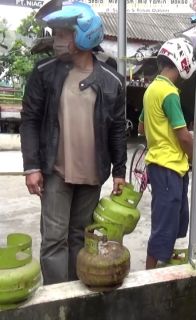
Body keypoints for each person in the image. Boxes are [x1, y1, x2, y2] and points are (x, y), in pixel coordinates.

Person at [20, 2, 127, 285]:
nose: (56, 41)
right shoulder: (44, 73)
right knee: (55, 239)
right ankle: (57, 299)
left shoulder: (112, 81)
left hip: (92, 175)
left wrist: (119, 172)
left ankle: (76, 294)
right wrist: (31, 166)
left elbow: (117, 129)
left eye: (61, 35)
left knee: (80, 236)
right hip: (55, 171)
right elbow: (29, 120)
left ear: (83, 37)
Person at [143, 37, 196, 269]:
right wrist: (194, 156)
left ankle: (162, 267)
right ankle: (150, 278)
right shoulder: (169, 92)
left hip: (163, 165)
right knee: (164, 226)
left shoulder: (151, 89)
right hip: (169, 166)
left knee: (174, 220)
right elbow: (184, 136)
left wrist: (158, 137)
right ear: (183, 62)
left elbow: (141, 126)